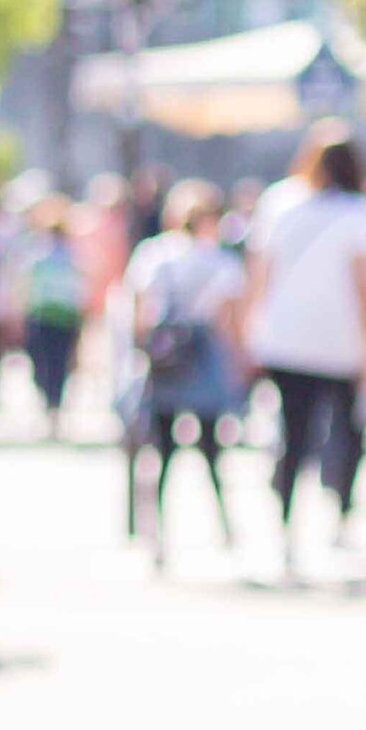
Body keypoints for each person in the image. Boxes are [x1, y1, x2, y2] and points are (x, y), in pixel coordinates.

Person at [243, 122, 366, 571]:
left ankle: (284, 524)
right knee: (349, 432)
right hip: (341, 340)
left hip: (285, 337)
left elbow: (260, 274)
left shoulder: (279, 203)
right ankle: (340, 516)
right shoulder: (363, 212)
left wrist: (253, 330)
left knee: (293, 432)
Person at [117, 181, 247, 561]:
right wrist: (238, 365)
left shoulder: (154, 255)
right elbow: (230, 321)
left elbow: (139, 314)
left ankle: (153, 531)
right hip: (204, 359)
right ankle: (223, 525)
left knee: (161, 449)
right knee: (211, 448)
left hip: (166, 360)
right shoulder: (222, 261)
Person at [18, 201, 87, 432]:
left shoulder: (68, 255)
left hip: (55, 316)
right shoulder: (39, 253)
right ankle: (51, 403)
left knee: (53, 362)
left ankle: (53, 406)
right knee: (49, 362)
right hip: (51, 315)